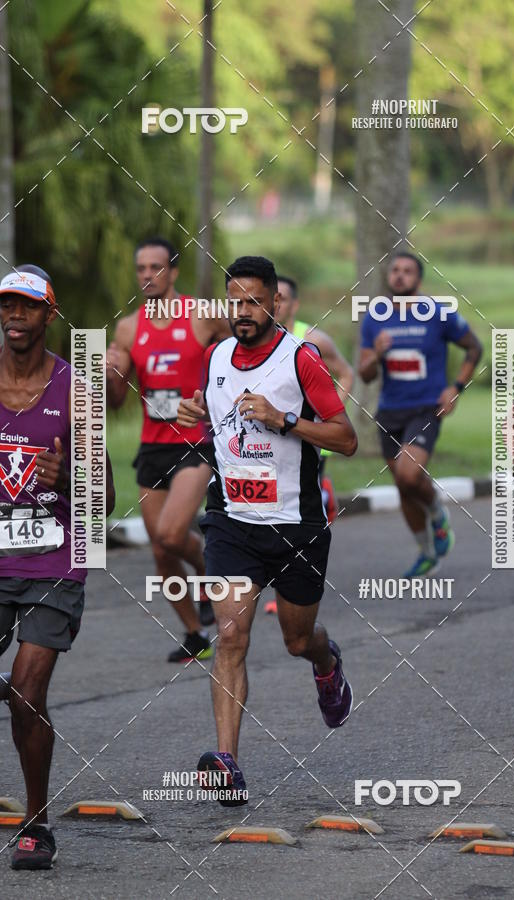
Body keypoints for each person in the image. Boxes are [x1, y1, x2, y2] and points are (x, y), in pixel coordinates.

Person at [177, 256, 357, 804]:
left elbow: (345, 438)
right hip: (231, 521)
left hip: (295, 524)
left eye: (254, 302)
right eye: (235, 302)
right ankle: (227, 764)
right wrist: (195, 415)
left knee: (298, 639)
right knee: (230, 636)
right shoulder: (215, 357)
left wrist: (284, 420)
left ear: (276, 302)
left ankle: (328, 666)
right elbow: (220, 422)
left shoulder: (301, 359)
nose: (244, 313)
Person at [0, 265, 115, 870]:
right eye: (7, 307)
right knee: (19, 695)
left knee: (27, 690)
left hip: (55, 561)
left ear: (50, 315)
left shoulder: (78, 388)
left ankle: (37, 821)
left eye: (28, 308)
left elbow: (108, 498)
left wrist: (68, 475)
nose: (15, 317)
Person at [107, 237, 230, 661]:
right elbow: (117, 400)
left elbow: (243, 353)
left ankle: (210, 577)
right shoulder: (127, 328)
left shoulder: (203, 316)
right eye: (141, 268)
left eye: (156, 267)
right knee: (161, 549)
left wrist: (220, 399)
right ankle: (196, 635)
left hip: (194, 443)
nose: (147, 275)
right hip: (151, 446)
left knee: (172, 533)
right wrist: (110, 373)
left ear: (173, 272)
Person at [358, 252, 482, 578]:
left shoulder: (438, 314)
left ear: (418, 278)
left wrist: (455, 387)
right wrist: (378, 354)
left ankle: (437, 510)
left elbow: (474, 348)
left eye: (407, 271)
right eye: (394, 271)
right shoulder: (375, 317)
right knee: (402, 485)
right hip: (389, 410)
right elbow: (366, 372)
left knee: (409, 475)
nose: (399, 276)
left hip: (426, 406)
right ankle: (427, 552)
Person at [259, 275, 354, 614]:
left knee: (294, 507)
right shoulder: (254, 341)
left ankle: (288, 586)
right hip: (267, 443)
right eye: (273, 297)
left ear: (294, 304)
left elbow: (346, 373)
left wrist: (328, 415)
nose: (277, 304)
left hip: (307, 439)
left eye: (283, 298)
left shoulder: (311, 339)